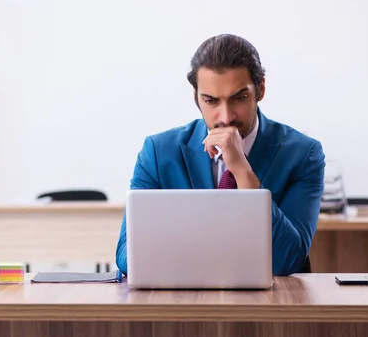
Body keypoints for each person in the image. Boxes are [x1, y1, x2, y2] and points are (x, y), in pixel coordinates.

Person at [115, 33, 325, 276]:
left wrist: (243, 172)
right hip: (181, 301)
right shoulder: (159, 152)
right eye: (211, 101)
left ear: (261, 89)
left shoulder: (303, 154)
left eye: (239, 98)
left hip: (268, 305)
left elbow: (287, 261)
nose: (225, 117)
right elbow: (127, 257)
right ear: (196, 96)